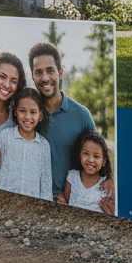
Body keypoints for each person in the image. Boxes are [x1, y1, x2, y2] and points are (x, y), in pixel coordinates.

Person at [29, 41, 96, 202]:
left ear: (60, 73)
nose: (45, 78)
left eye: (50, 71)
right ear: (33, 76)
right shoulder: (26, 114)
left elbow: (99, 163)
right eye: (38, 72)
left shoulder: (81, 115)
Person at [0, 87, 52, 200]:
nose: (27, 117)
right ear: (15, 111)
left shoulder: (44, 146)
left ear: (40, 115)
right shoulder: (5, 136)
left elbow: (46, 184)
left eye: (33, 112)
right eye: (22, 111)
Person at [60, 128, 115, 215]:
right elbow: (67, 201)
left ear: (104, 161)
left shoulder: (107, 184)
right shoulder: (72, 177)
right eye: (85, 153)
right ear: (80, 155)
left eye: (96, 156)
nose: (90, 160)